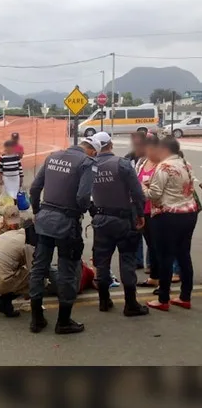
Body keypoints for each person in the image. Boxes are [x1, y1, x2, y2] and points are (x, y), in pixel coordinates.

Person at [28, 136, 99, 335]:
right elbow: (83, 197)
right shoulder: (87, 163)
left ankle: (36, 319)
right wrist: (87, 209)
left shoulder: (53, 157)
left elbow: (34, 188)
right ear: (92, 151)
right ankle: (64, 321)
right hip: (67, 224)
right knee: (68, 270)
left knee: (39, 267)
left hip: (44, 221)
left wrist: (36, 211)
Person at [90, 131, 149, 317]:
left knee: (102, 262)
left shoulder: (89, 166)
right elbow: (137, 192)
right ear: (111, 145)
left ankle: (104, 300)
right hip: (124, 219)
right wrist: (140, 214)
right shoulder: (122, 164)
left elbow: (83, 194)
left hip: (100, 220)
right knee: (128, 259)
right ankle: (130, 304)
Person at [142, 137, 199, 311]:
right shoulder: (185, 164)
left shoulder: (164, 166)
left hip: (167, 216)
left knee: (165, 257)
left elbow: (155, 194)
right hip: (189, 214)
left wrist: (143, 186)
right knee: (183, 255)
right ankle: (185, 296)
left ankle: (163, 299)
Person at [136, 133, 161, 290]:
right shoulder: (142, 162)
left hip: (158, 210)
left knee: (160, 246)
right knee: (152, 245)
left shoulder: (162, 163)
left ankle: (162, 281)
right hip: (143, 209)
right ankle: (154, 277)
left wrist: (146, 187)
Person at [125, 131, 148, 268]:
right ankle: (138, 261)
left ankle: (152, 264)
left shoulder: (153, 158)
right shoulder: (128, 158)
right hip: (134, 200)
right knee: (136, 231)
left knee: (151, 236)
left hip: (151, 200)